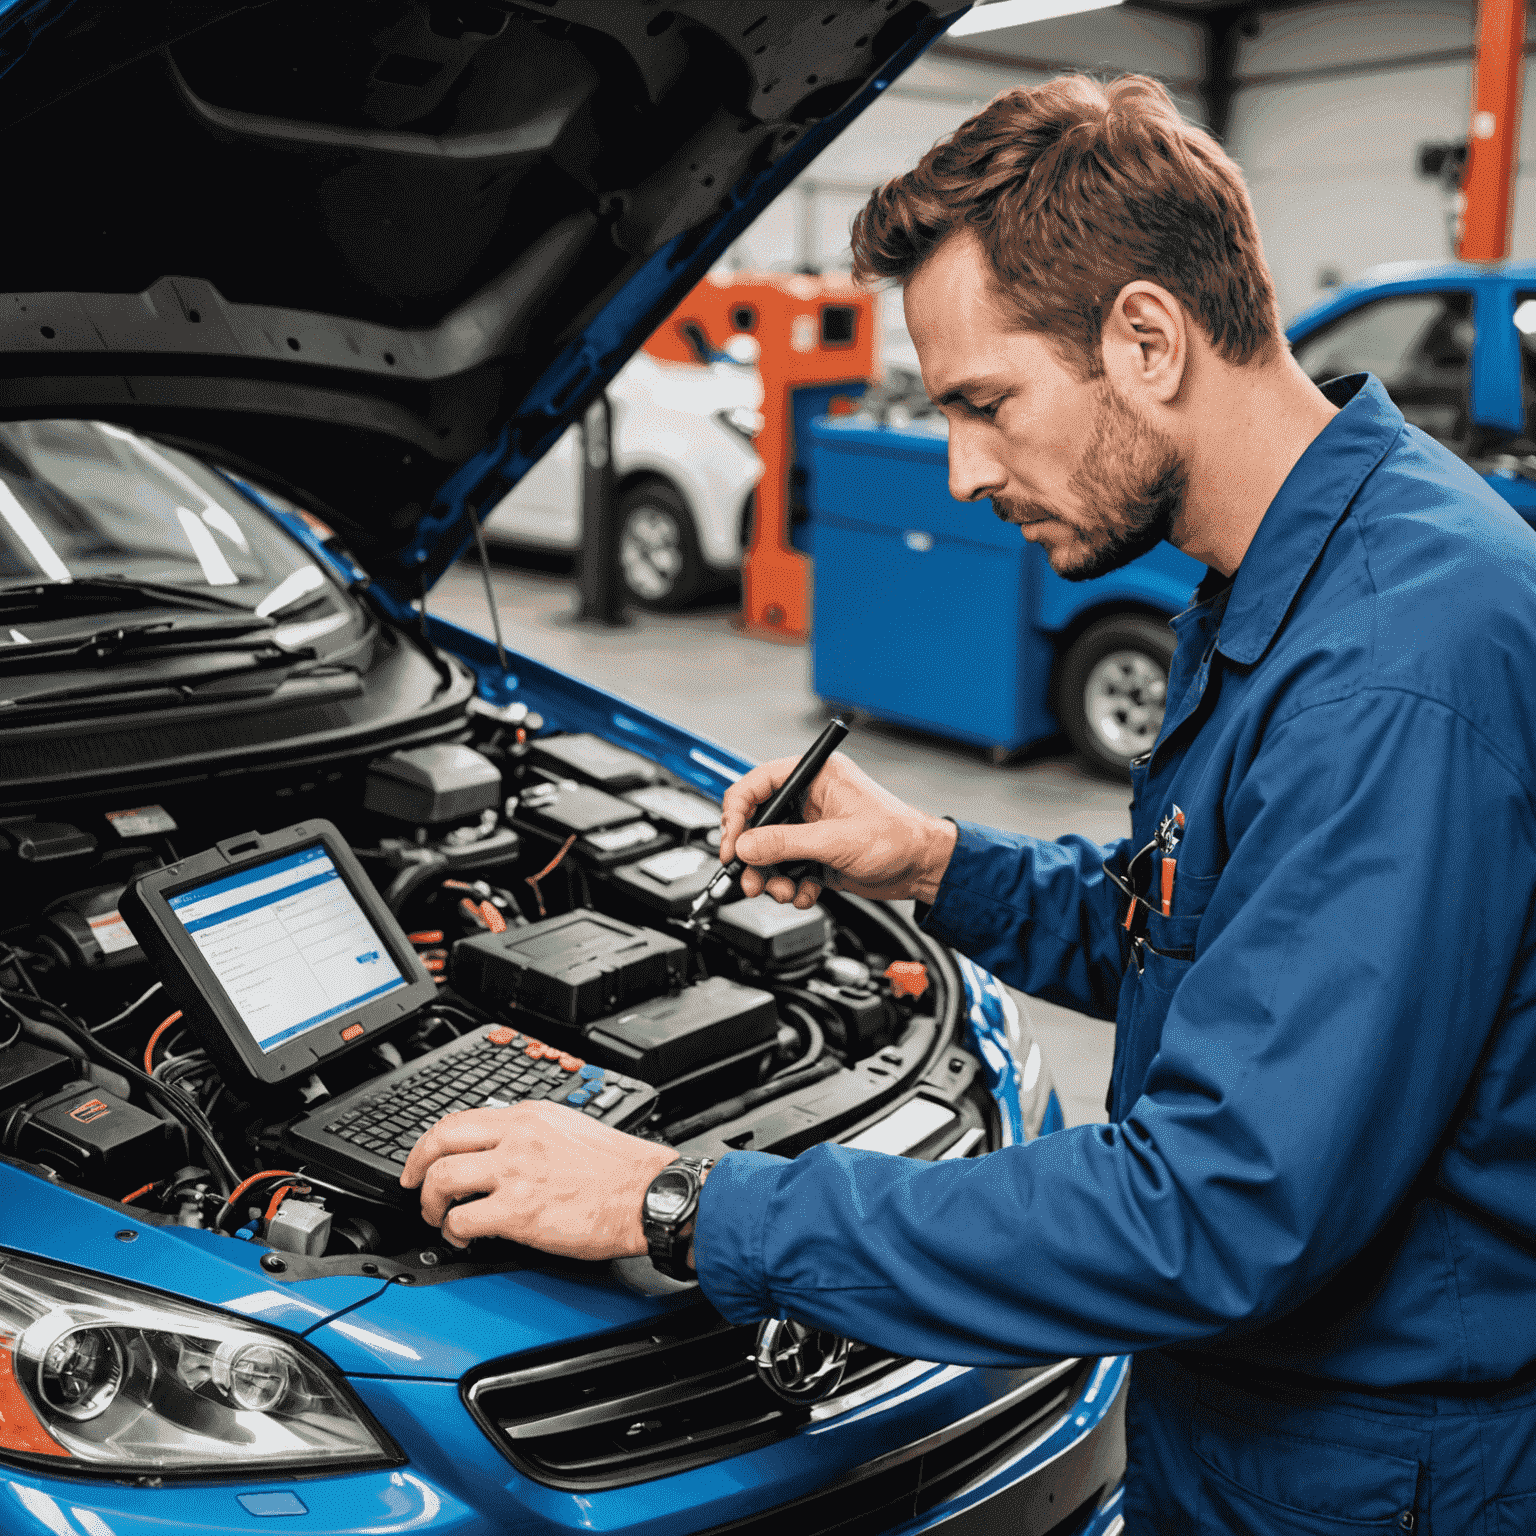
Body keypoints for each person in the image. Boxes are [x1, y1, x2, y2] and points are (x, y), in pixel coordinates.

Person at [401, 74, 1536, 1529]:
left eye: (985, 403)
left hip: (1374, 1477)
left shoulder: (1394, 666)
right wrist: (932, 860)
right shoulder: (1295, 575)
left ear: (1145, 338)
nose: (962, 468)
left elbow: (1208, 1213)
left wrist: (677, 1201)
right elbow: (1213, 937)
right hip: (1265, 1424)